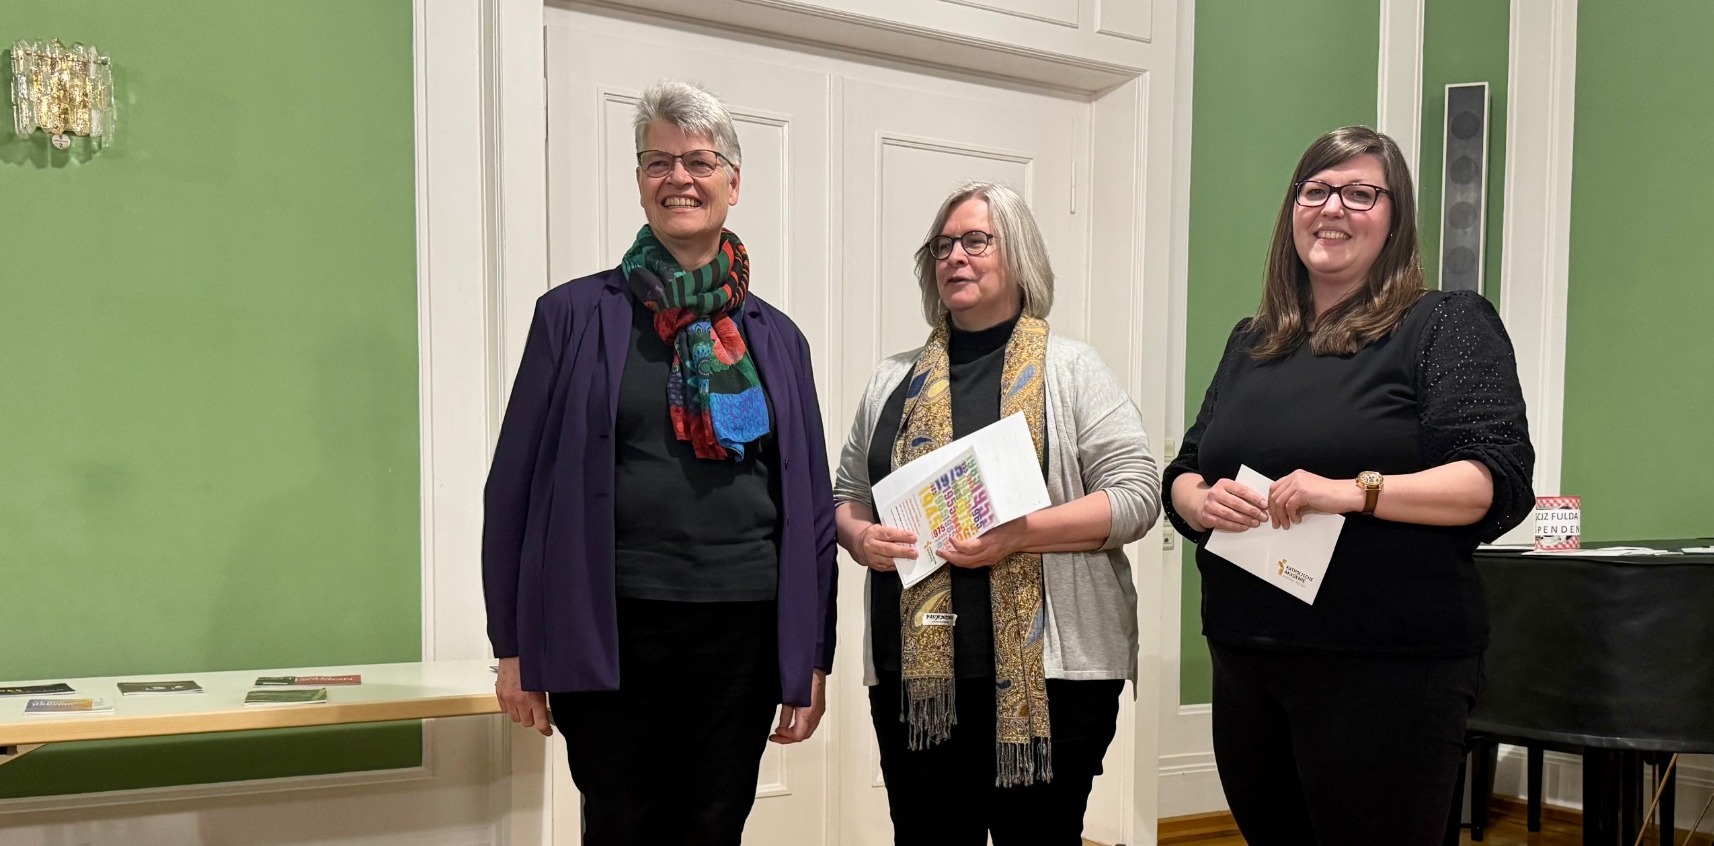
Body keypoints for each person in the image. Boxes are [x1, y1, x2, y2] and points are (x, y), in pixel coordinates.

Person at [482, 79, 837, 846]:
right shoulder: (572, 316)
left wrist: (810, 655)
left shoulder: (779, 338)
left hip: (742, 624)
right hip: (610, 621)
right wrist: (511, 644)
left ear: (733, 184)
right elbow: (511, 489)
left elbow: (809, 507)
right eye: (658, 162)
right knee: (620, 821)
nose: (679, 177)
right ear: (640, 182)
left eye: (700, 161)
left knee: (714, 823)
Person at [1162, 126, 1535, 845]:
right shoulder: (1252, 341)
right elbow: (1187, 468)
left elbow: (1494, 481)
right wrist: (1198, 501)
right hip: (1249, 653)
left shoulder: (1444, 324)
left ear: (1395, 220)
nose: (1333, 208)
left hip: (1387, 668)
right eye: (1317, 190)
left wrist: (1350, 490)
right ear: (1292, 210)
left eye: (1361, 194)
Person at [833, 182, 1161, 845]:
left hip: (1053, 682)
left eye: (976, 241)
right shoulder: (890, 379)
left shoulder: (1074, 369)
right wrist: (860, 535)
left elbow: (1136, 495)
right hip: (917, 682)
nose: (955, 256)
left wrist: (1020, 535)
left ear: (1020, 256)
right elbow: (846, 493)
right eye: (943, 245)